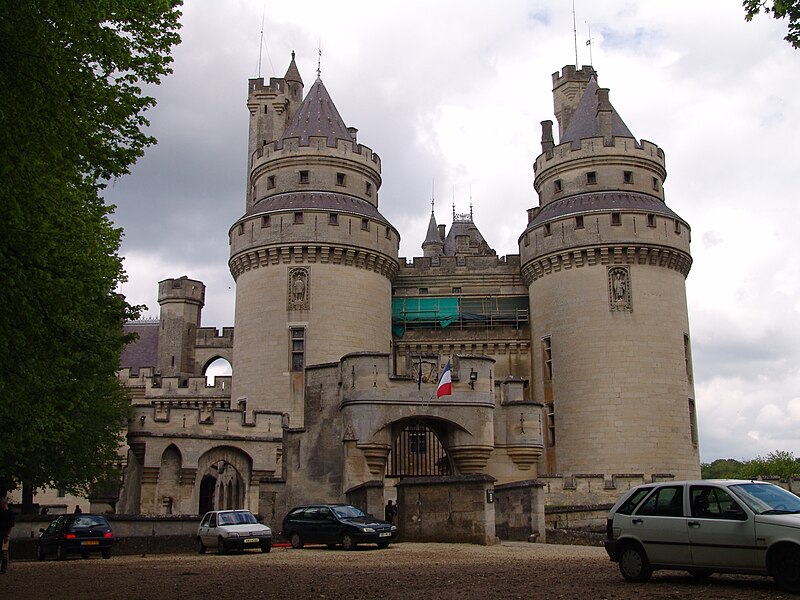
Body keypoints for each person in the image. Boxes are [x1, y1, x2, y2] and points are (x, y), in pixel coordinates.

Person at [0, 497, 15, 575]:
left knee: (4, 553)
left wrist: (8, 535)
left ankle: (4, 569)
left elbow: (11, 525)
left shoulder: (10, 513)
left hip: (5, 534)